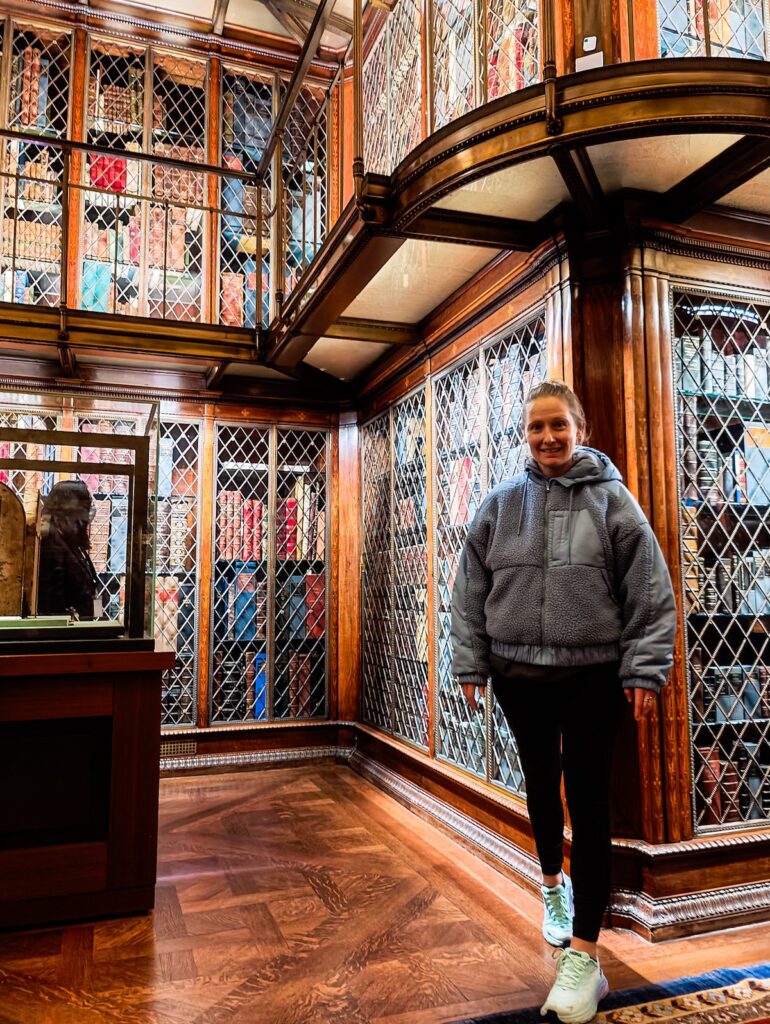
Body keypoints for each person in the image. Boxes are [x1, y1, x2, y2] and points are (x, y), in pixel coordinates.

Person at [450, 380, 676, 1024]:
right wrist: (470, 663)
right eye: (535, 427)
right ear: (525, 435)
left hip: (593, 678)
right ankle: (553, 887)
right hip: (518, 674)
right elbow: (468, 593)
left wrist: (644, 668)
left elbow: (651, 596)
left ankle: (585, 957)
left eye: (558, 425)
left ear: (580, 428)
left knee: (592, 799)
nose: (547, 437)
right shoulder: (499, 504)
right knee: (541, 786)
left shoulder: (616, 505)